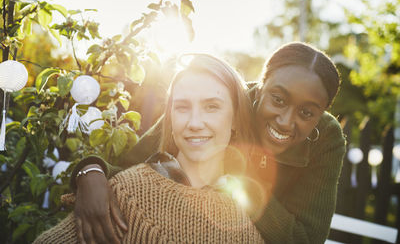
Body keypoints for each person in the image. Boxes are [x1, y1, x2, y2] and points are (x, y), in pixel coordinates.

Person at [69, 42, 346, 244]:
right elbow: (132, 166)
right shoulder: (220, 101)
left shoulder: (327, 139)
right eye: (278, 99)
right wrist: (90, 172)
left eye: (307, 113)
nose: (286, 121)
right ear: (260, 87)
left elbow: (306, 238)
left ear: (320, 113)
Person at [34, 54, 265, 243]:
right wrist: (90, 170)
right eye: (182, 107)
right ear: (170, 117)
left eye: (212, 107)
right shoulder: (126, 194)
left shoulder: (248, 227)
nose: (194, 123)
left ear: (235, 118)